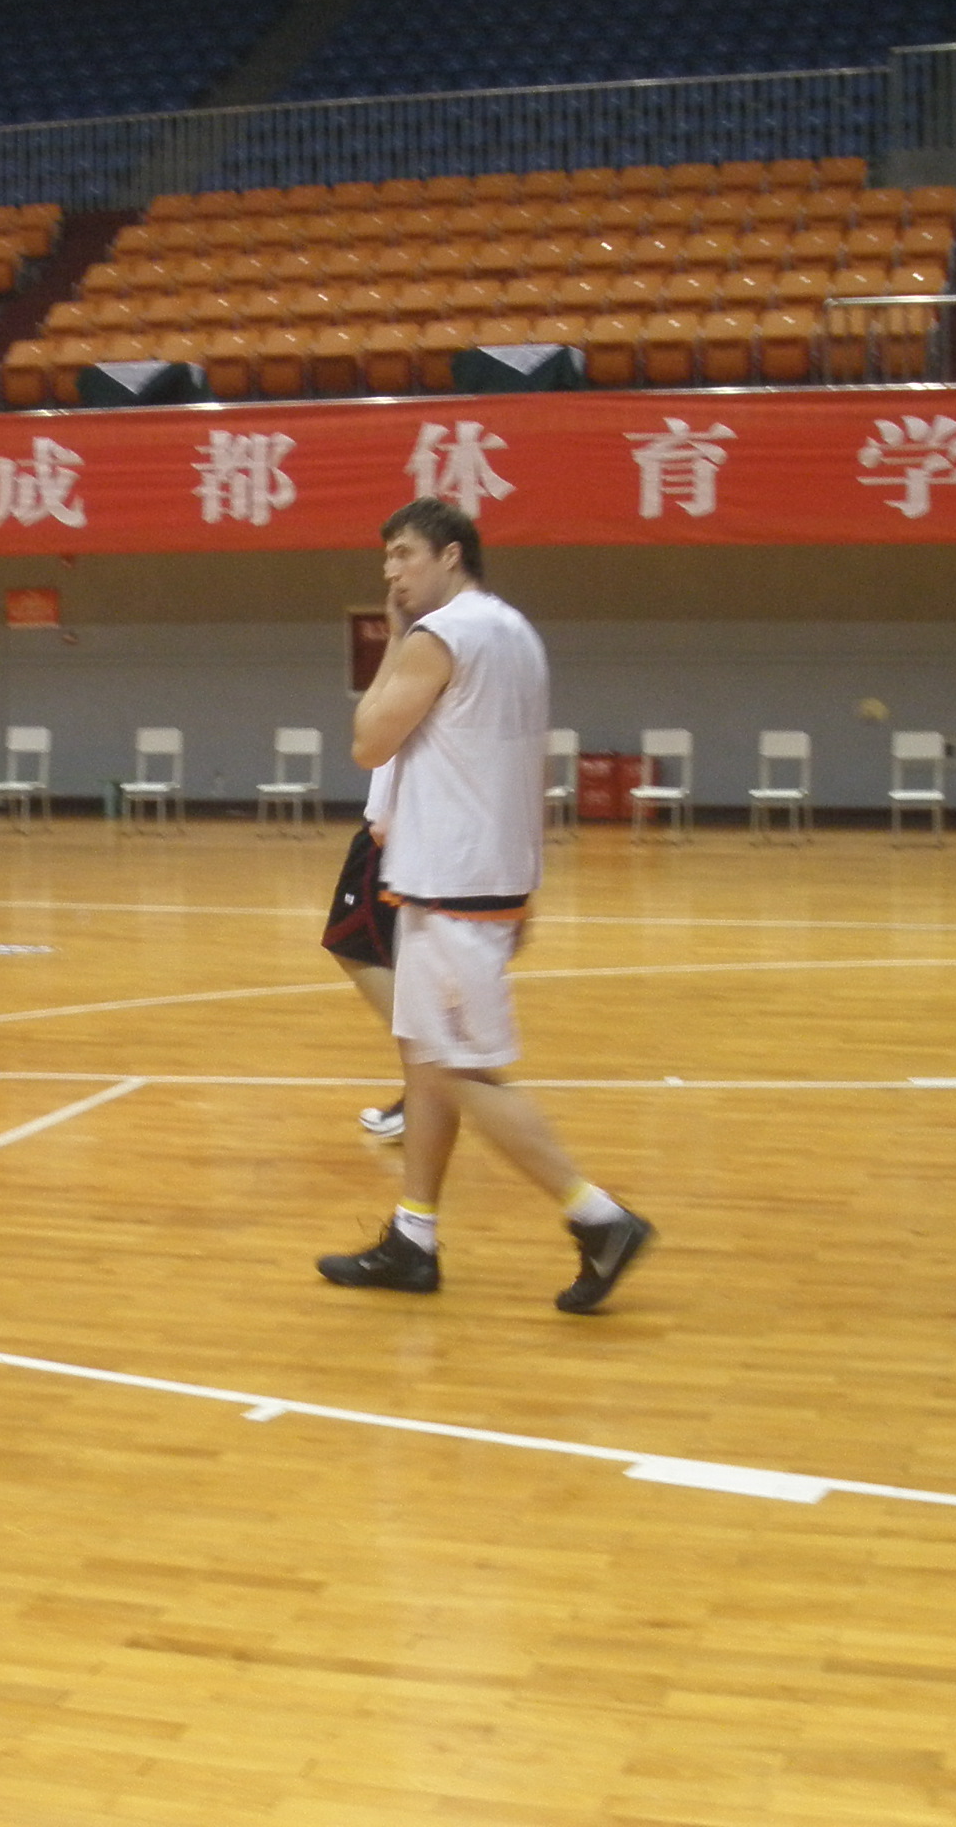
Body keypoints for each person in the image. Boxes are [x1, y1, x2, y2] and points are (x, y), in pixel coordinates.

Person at [316, 497, 654, 1314]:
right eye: (386, 558)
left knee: (463, 1071)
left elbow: (367, 740)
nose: (391, 574)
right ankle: (414, 1237)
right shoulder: (516, 632)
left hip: (452, 884)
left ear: (451, 555)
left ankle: (598, 1217)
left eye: (403, 554)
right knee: (428, 1064)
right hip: (488, 875)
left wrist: (395, 637)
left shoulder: (439, 636)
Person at [322, 756, 405, 1141]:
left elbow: (369, 747)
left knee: (352, 944)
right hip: (414, 829)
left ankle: (432, 1078)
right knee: (407, 958)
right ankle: (429, 1087)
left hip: (394, 832)